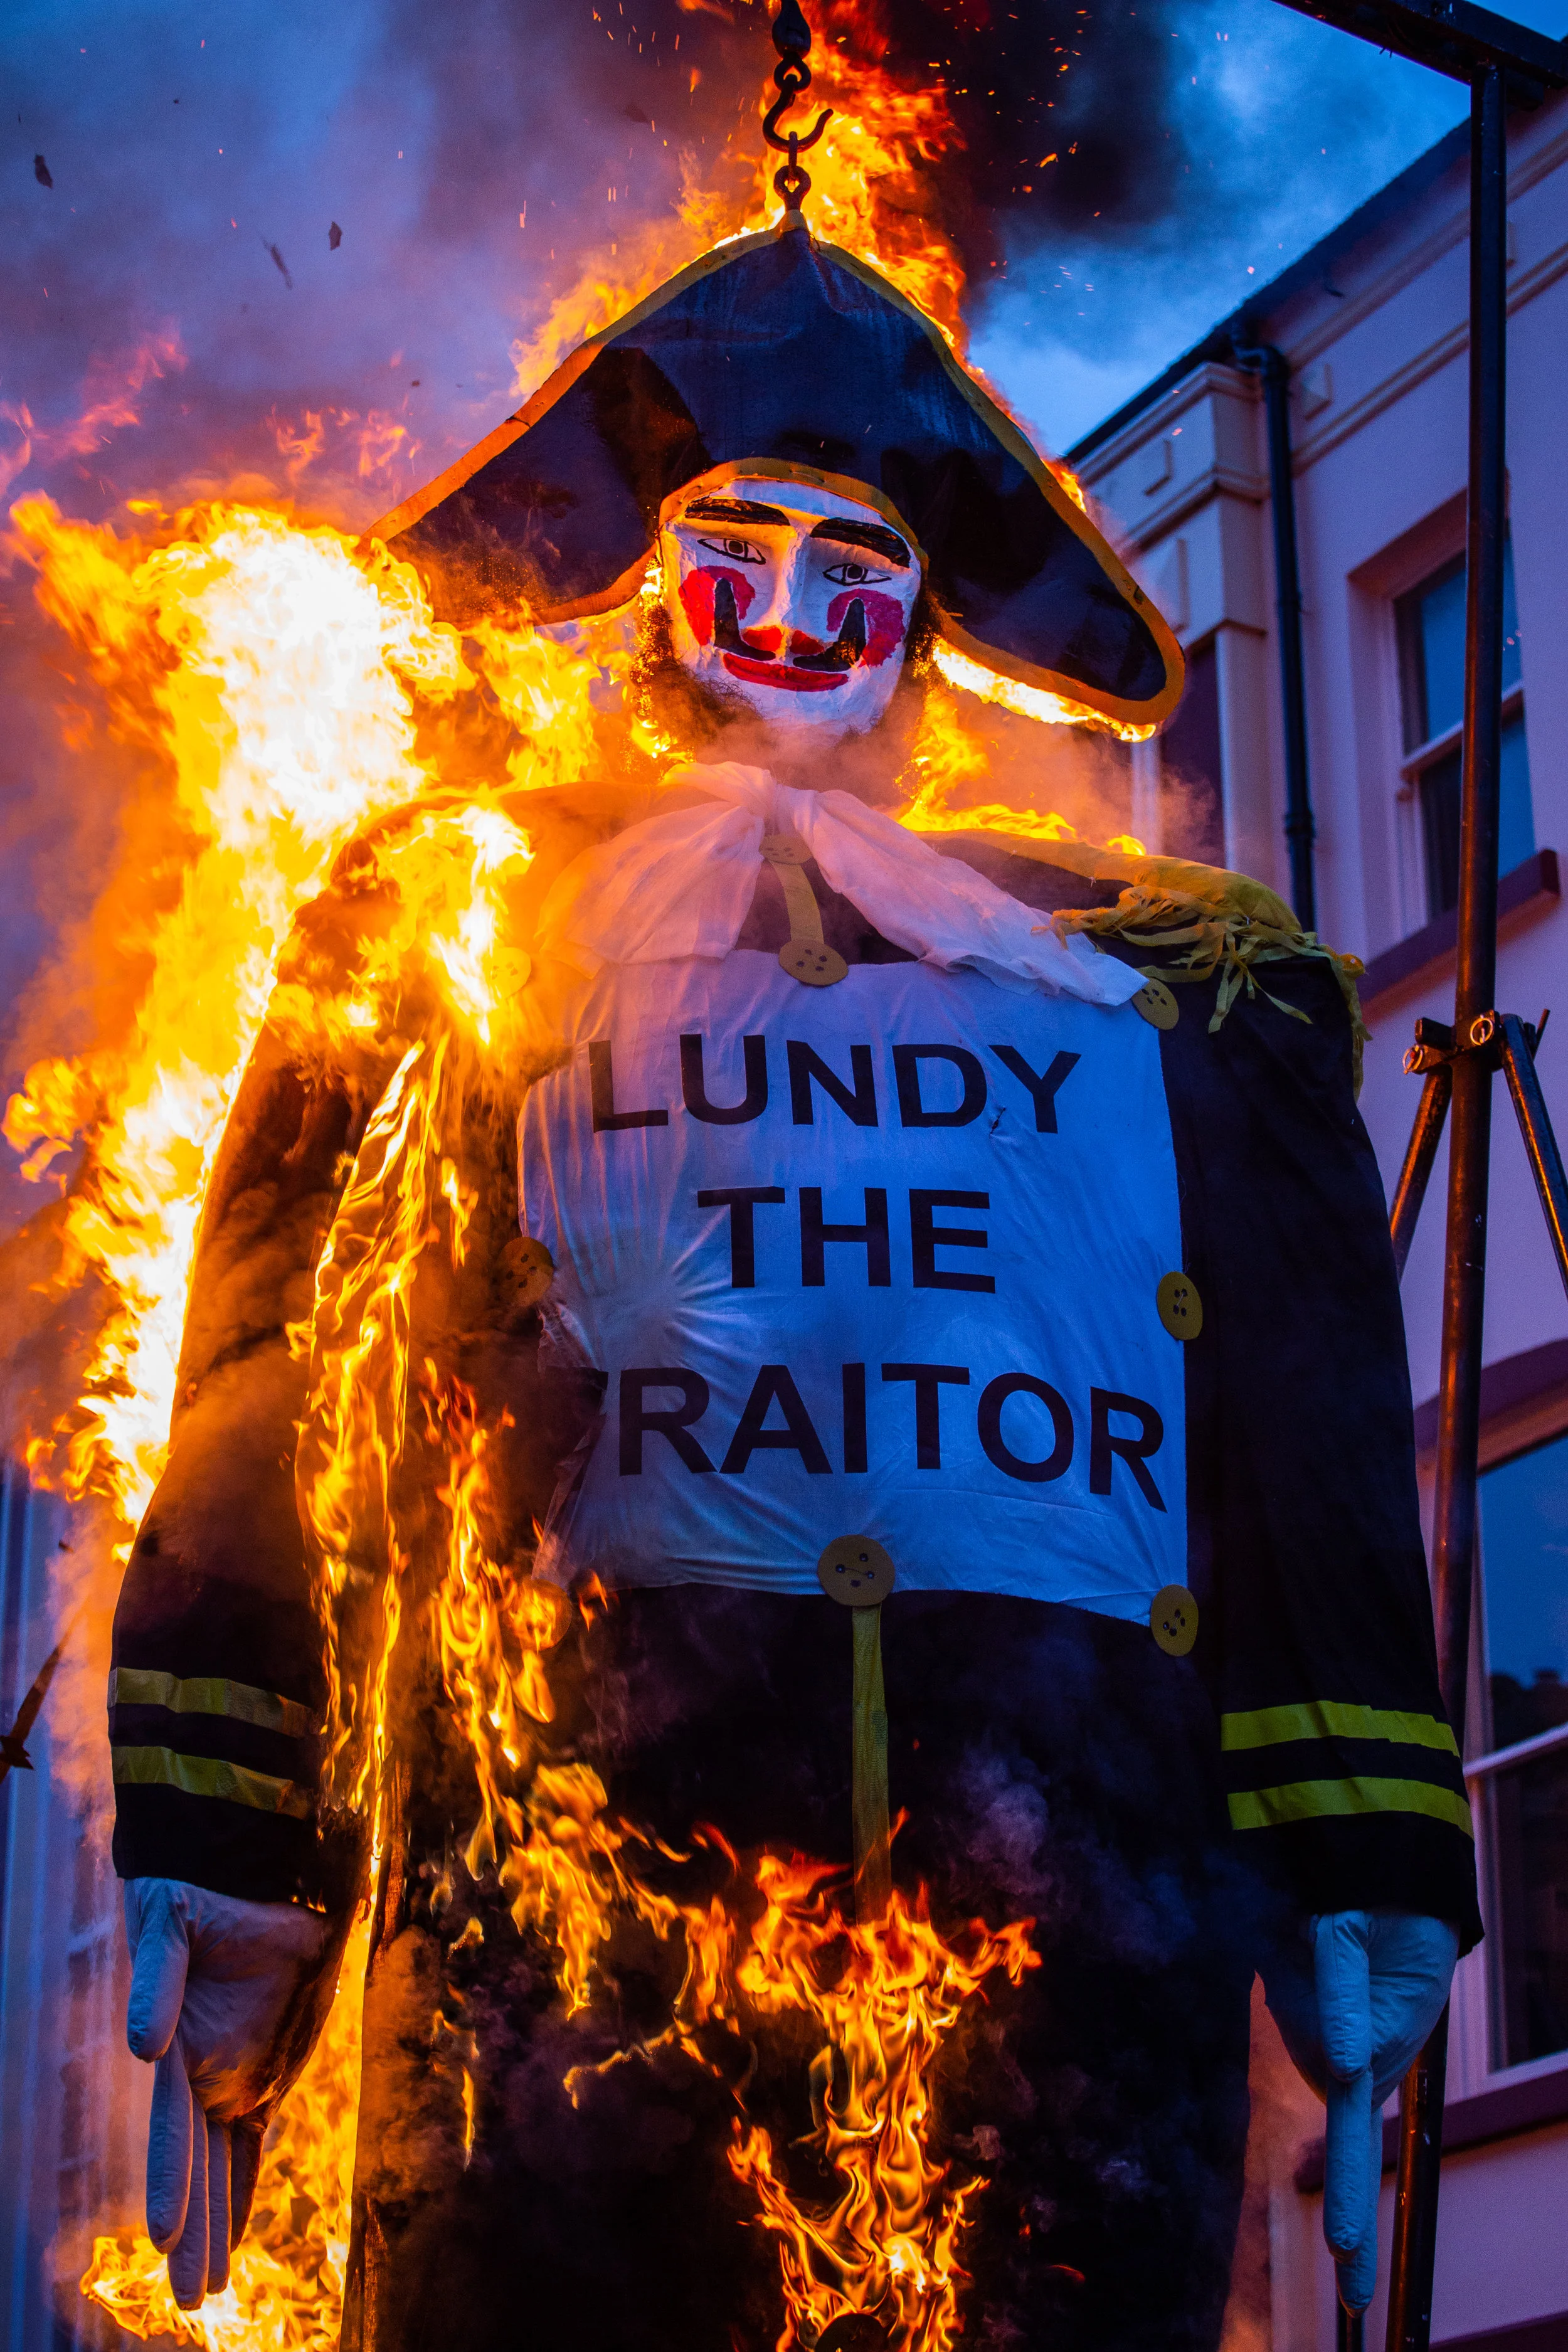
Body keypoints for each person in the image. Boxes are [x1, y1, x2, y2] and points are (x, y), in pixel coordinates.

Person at [109, 214, 1476, 2349]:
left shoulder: (1199, 981)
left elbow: (1300, 1430)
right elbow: (279, 1369)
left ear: (923, 621)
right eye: (737, 554)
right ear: (653, 587)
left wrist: (1368, 1850)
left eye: (854, 572)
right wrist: (232, 1815)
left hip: (1066, 1921)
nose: (789, 613)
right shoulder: (444, 903)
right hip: (565, 1908)